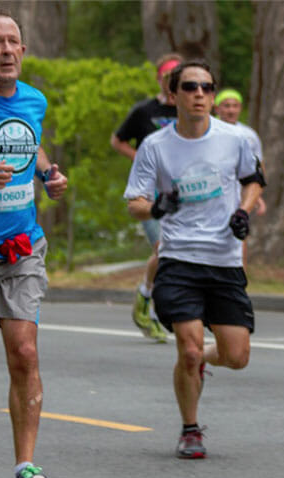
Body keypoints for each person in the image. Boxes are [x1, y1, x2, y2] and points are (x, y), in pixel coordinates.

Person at [124, 60, 265, 459]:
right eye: (190, 87)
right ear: (173, 96)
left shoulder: (234, 139)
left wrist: (243, 211)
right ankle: (190, 428)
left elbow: (253, 179)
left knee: (237, 356)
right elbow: (134, 202)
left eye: (207, 87)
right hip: (179, 258)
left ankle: (198, 360)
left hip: (224, 259)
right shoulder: (155, 146)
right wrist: (155, 207)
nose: (200, 94)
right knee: (186, 348)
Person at [0, 6, 68, 478]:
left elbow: (31, 147)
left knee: (25, 352)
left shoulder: (33, 100)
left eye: (13, 42)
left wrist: (46, 175)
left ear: (23, 51)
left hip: (20, 248)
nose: (6, 50)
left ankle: (24, 468)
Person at [111, 53, 183, 343]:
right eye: (167, 77)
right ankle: (149, 305)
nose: (172, 83)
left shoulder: (192, 109)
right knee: (163, 247)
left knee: (173, 248)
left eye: (178, 77)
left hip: (180, 189)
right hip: (149, 191)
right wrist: (140, 158)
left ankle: (148, 298)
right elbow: (117, 141)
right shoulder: (143, 111)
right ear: (159, 79)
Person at [213, 88, 267, 218]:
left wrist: (257, 196)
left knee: (239, 231)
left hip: (239, 195)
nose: (231, 110)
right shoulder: (208, 131)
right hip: (213, 194)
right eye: (226, 106)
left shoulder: (249, 135)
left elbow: (259, 166)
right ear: (217, 108)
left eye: (235, 106)